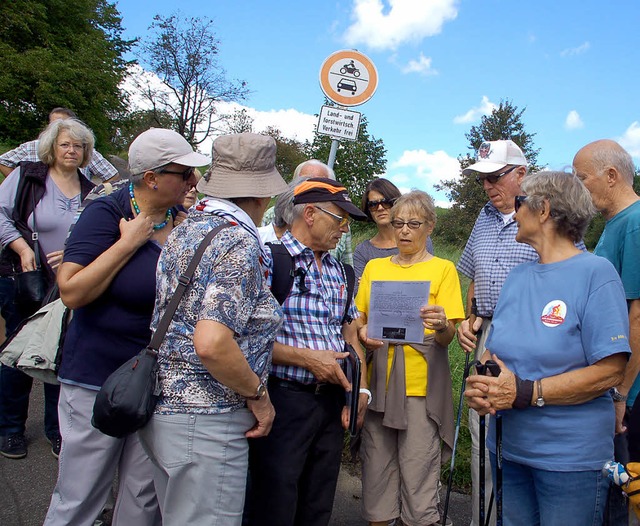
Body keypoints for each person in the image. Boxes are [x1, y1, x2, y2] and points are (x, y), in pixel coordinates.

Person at [44, 128, 206, 525]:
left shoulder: (182, 222)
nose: (193, 181)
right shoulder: (108, 214)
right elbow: (71, 291)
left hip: (156, 382)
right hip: (97, 378)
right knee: (81, 497)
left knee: (142, 499)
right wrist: (128, 243)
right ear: (151, 178)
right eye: (184, 173)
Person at [464, 171, 630, 526]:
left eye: (520, 202)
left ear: (544, 211)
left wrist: (526, 392)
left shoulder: (595, 273)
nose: (514, 209)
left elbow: (611, 370)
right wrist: (482, 383)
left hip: (569, 459)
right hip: (509, 449)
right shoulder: (518, 277)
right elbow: (494, 354)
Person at [138, 133, 288, 526]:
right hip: (207, 422)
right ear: (261, 196)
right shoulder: (238, 241)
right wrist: (258, 396)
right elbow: (212, 342)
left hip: (163, 407)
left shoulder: (186, 230)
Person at [245, 177, 369, 526]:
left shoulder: (342, 271)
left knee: (318, 499)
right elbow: (244, 340)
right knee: (274, 499)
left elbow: (349, 333)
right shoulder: (269, 262)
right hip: (284, 400)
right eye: (339, 218)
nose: (345, 229)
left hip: (330, 402)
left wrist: (359, 389)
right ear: (310, 213)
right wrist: (306, 359)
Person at [356, 190, 465, 526]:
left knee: (418, 471)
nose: (404, 230)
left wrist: (442, 323)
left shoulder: (443, 269)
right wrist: (362, 334)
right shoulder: (374, 267)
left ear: (429, 227)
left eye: (413, 224)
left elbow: (447, 338)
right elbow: (358, 322)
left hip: (421, 388)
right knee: (376, 470)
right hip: (380, 384)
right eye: (399, 223)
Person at [0, 118, 95, 459]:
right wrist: (21, 247)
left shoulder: (89, 189)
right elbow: (1, 213)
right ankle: (10, 429)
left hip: (67, 284)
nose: (72, 151)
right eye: (65, 144)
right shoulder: (28, 177)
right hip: (26, 277)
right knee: (19, 351)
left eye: (79, 146)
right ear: (52, 147)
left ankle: (57, 431)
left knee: (60, 355)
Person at [455, 139, 536, 525]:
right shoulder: (484, 216)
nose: (488, 187)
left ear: (522, 173)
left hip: (532, 334)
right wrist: (470, 318)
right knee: (481, 425)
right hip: (487, 330)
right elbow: (474, 277)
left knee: (521, 428)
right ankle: (481, 521)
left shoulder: (544, 213)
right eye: (483, 179)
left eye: (495, 177)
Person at [573, 139, 640, 525]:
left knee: (624, 500)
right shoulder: (615, 224)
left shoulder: (634, 224)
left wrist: (621, 393)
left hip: (629, 396)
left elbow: (638, 315)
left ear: (611, 176)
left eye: (582, 177)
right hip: (617, 388)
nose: (578, 186)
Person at [261, 159, 354, 265]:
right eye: (304, 182)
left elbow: (347, 265)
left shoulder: (341, 224)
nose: (309, 191)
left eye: (318, 187)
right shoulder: (267, 254)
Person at [0, 107, 118, 182]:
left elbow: (112, 175)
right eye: (64, 145)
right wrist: (20, 184)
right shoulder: (30, 147)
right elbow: (3, 161)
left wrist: (94, 197)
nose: (71, 150)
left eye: (63, 124)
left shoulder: (86, 150)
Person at [354, 177, 433, 282]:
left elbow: (428, 279)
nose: (380, 208)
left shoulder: (422, 240)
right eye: (373, 205)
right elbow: (359, 291)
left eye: (386, 202)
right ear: (368, 209)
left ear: (396, 203)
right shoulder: (363, 251)